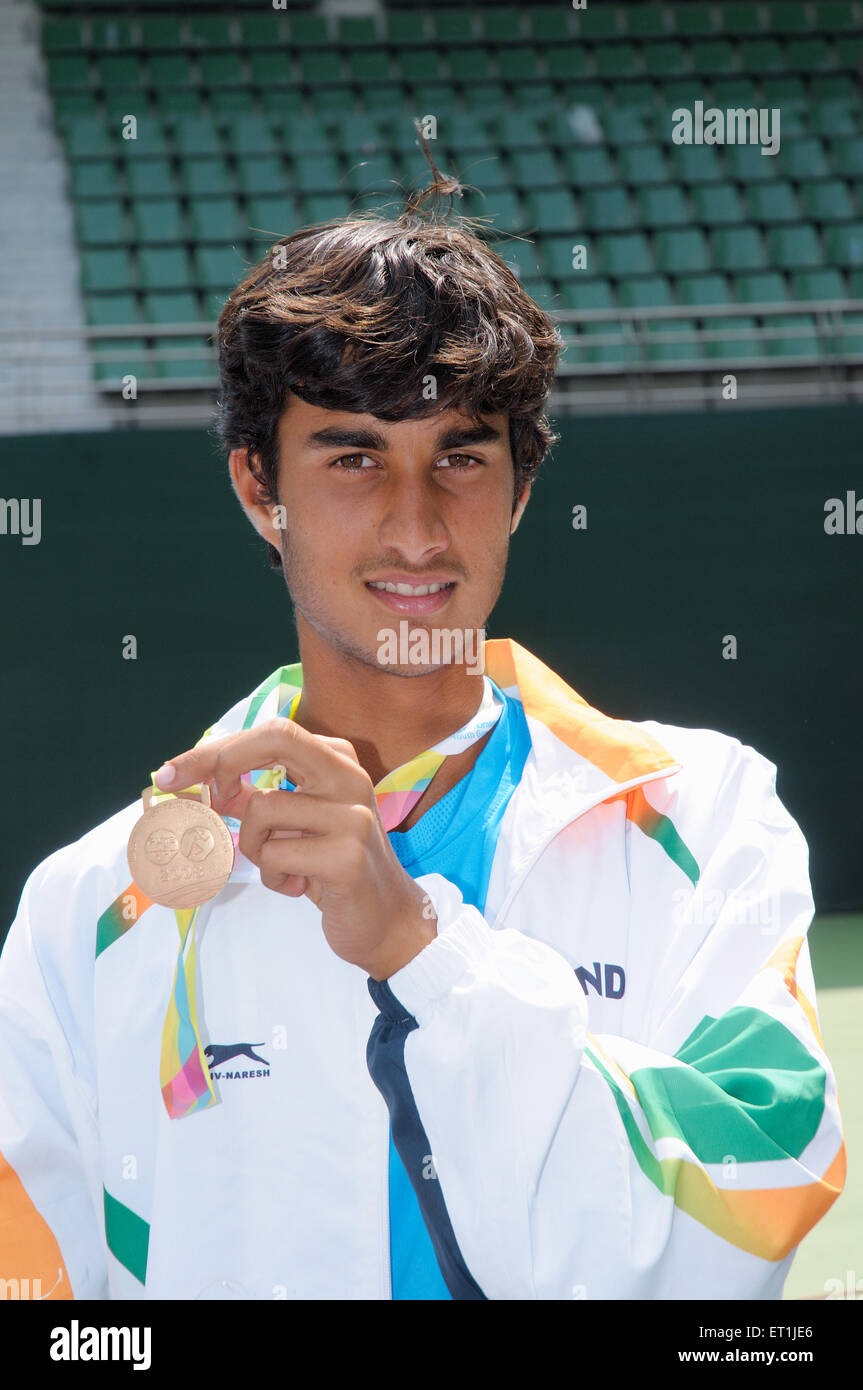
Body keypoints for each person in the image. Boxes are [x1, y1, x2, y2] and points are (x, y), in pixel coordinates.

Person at [0, 158, 844, 1301]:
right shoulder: (88, 907)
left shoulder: (707, 814)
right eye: (353, 457)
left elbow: (750, 1207)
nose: (413, 524)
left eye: (460, 455)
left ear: (521, 488)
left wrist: (423, 954)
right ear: (260, 489)